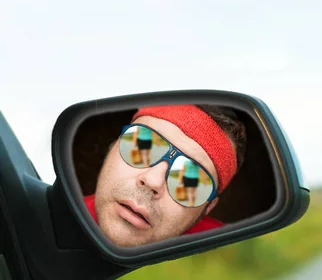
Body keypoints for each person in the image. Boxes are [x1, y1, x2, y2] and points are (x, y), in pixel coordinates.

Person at [83, 104, 247, 247]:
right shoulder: (62, 215)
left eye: (190, 180)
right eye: (142, 146)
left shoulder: (219, 251)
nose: (152, 181)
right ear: (112, 146)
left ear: (206, 209)